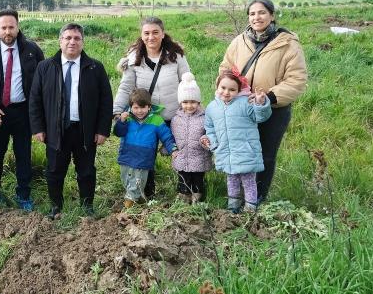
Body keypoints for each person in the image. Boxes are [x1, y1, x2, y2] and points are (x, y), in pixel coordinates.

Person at [219, 0, 307, 202]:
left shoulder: (288, 44)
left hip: (274, 111)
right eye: (252, 14)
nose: (256, 17)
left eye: (261, 13)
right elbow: (225, 68)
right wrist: (228, 88)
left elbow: (297, 80)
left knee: (265, 154)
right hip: (241, 109)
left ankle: (257, 198)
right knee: (240, 152)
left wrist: (267, 97)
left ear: (272, 15)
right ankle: (237, 197)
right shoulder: (239, 42)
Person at [29, 23, 112, 218]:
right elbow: (35, 99)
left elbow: (106, 101)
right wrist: (38, 128)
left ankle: (87, 207)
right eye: (68, 38)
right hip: (55, 130)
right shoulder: (45, 67)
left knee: (86, 171)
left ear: (83, 42)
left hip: (85, 130)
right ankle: (56, 207)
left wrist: (102, 130)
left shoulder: (95, 67)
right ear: (60, 41)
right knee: (54, 170)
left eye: (76, 38)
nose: (72, 42)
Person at [0, 9, 44, 211]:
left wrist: (37, 111)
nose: (7, 31)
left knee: (23, 154)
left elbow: (42, 81)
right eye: (3, 27)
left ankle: (23, 194)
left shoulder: (31, 51)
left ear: (17, 26)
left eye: (11, 27)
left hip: (23, 111)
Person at [113, 16, 190, 198]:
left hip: (174, 114)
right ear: (141, 35)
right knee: (145, 154)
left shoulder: (176, 57)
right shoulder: (134, 60)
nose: (151, 37)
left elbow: (186, 81)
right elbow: (126, 87)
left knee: (181, 150)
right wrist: (117, 111)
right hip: (145, 117)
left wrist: (192, 107)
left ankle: (185, 190)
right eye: (146, 33)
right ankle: (147, 193)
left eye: (155, 32)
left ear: (163, 34)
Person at [202, 70, 271, 213]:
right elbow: (209, 128)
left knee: (249, 180)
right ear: (217, 87)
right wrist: (214, 144)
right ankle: (233, 207)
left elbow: (260, 117)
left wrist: (260, 103)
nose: (226, 92)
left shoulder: (245, 103)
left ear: (238, 90)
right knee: (231, 180)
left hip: (246, 151)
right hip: (226, 152)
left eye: (232, 89)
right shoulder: (212, 107)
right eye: (223, 88)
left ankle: (250, 207)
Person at [113, 89, 178, 209]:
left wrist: (173, 149)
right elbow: (118, 132)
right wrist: (121, 121)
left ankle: (129, 206)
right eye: (136, 108)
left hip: (144, 159)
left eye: (143, 108)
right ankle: (141, 201)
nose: (139, 111)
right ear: (131, 107)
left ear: (149, 107)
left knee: (137, 183)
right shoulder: (127, 119)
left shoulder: (156, 120)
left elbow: (167, 137)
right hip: (126, 157)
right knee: (127, 181)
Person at [170, 72, 213, 204]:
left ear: (198, 101)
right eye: (185, 102)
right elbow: (171, 136)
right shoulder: (176, 119)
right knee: (183, 177)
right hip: (182, 156)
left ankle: (197, 197)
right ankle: (184, 196)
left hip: (199, 156)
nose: (189, 105)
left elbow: (210, 132)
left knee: (197, 178)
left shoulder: (205, 117)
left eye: (193, 102)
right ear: (180, 103)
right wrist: (171, 149)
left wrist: (207, 141)